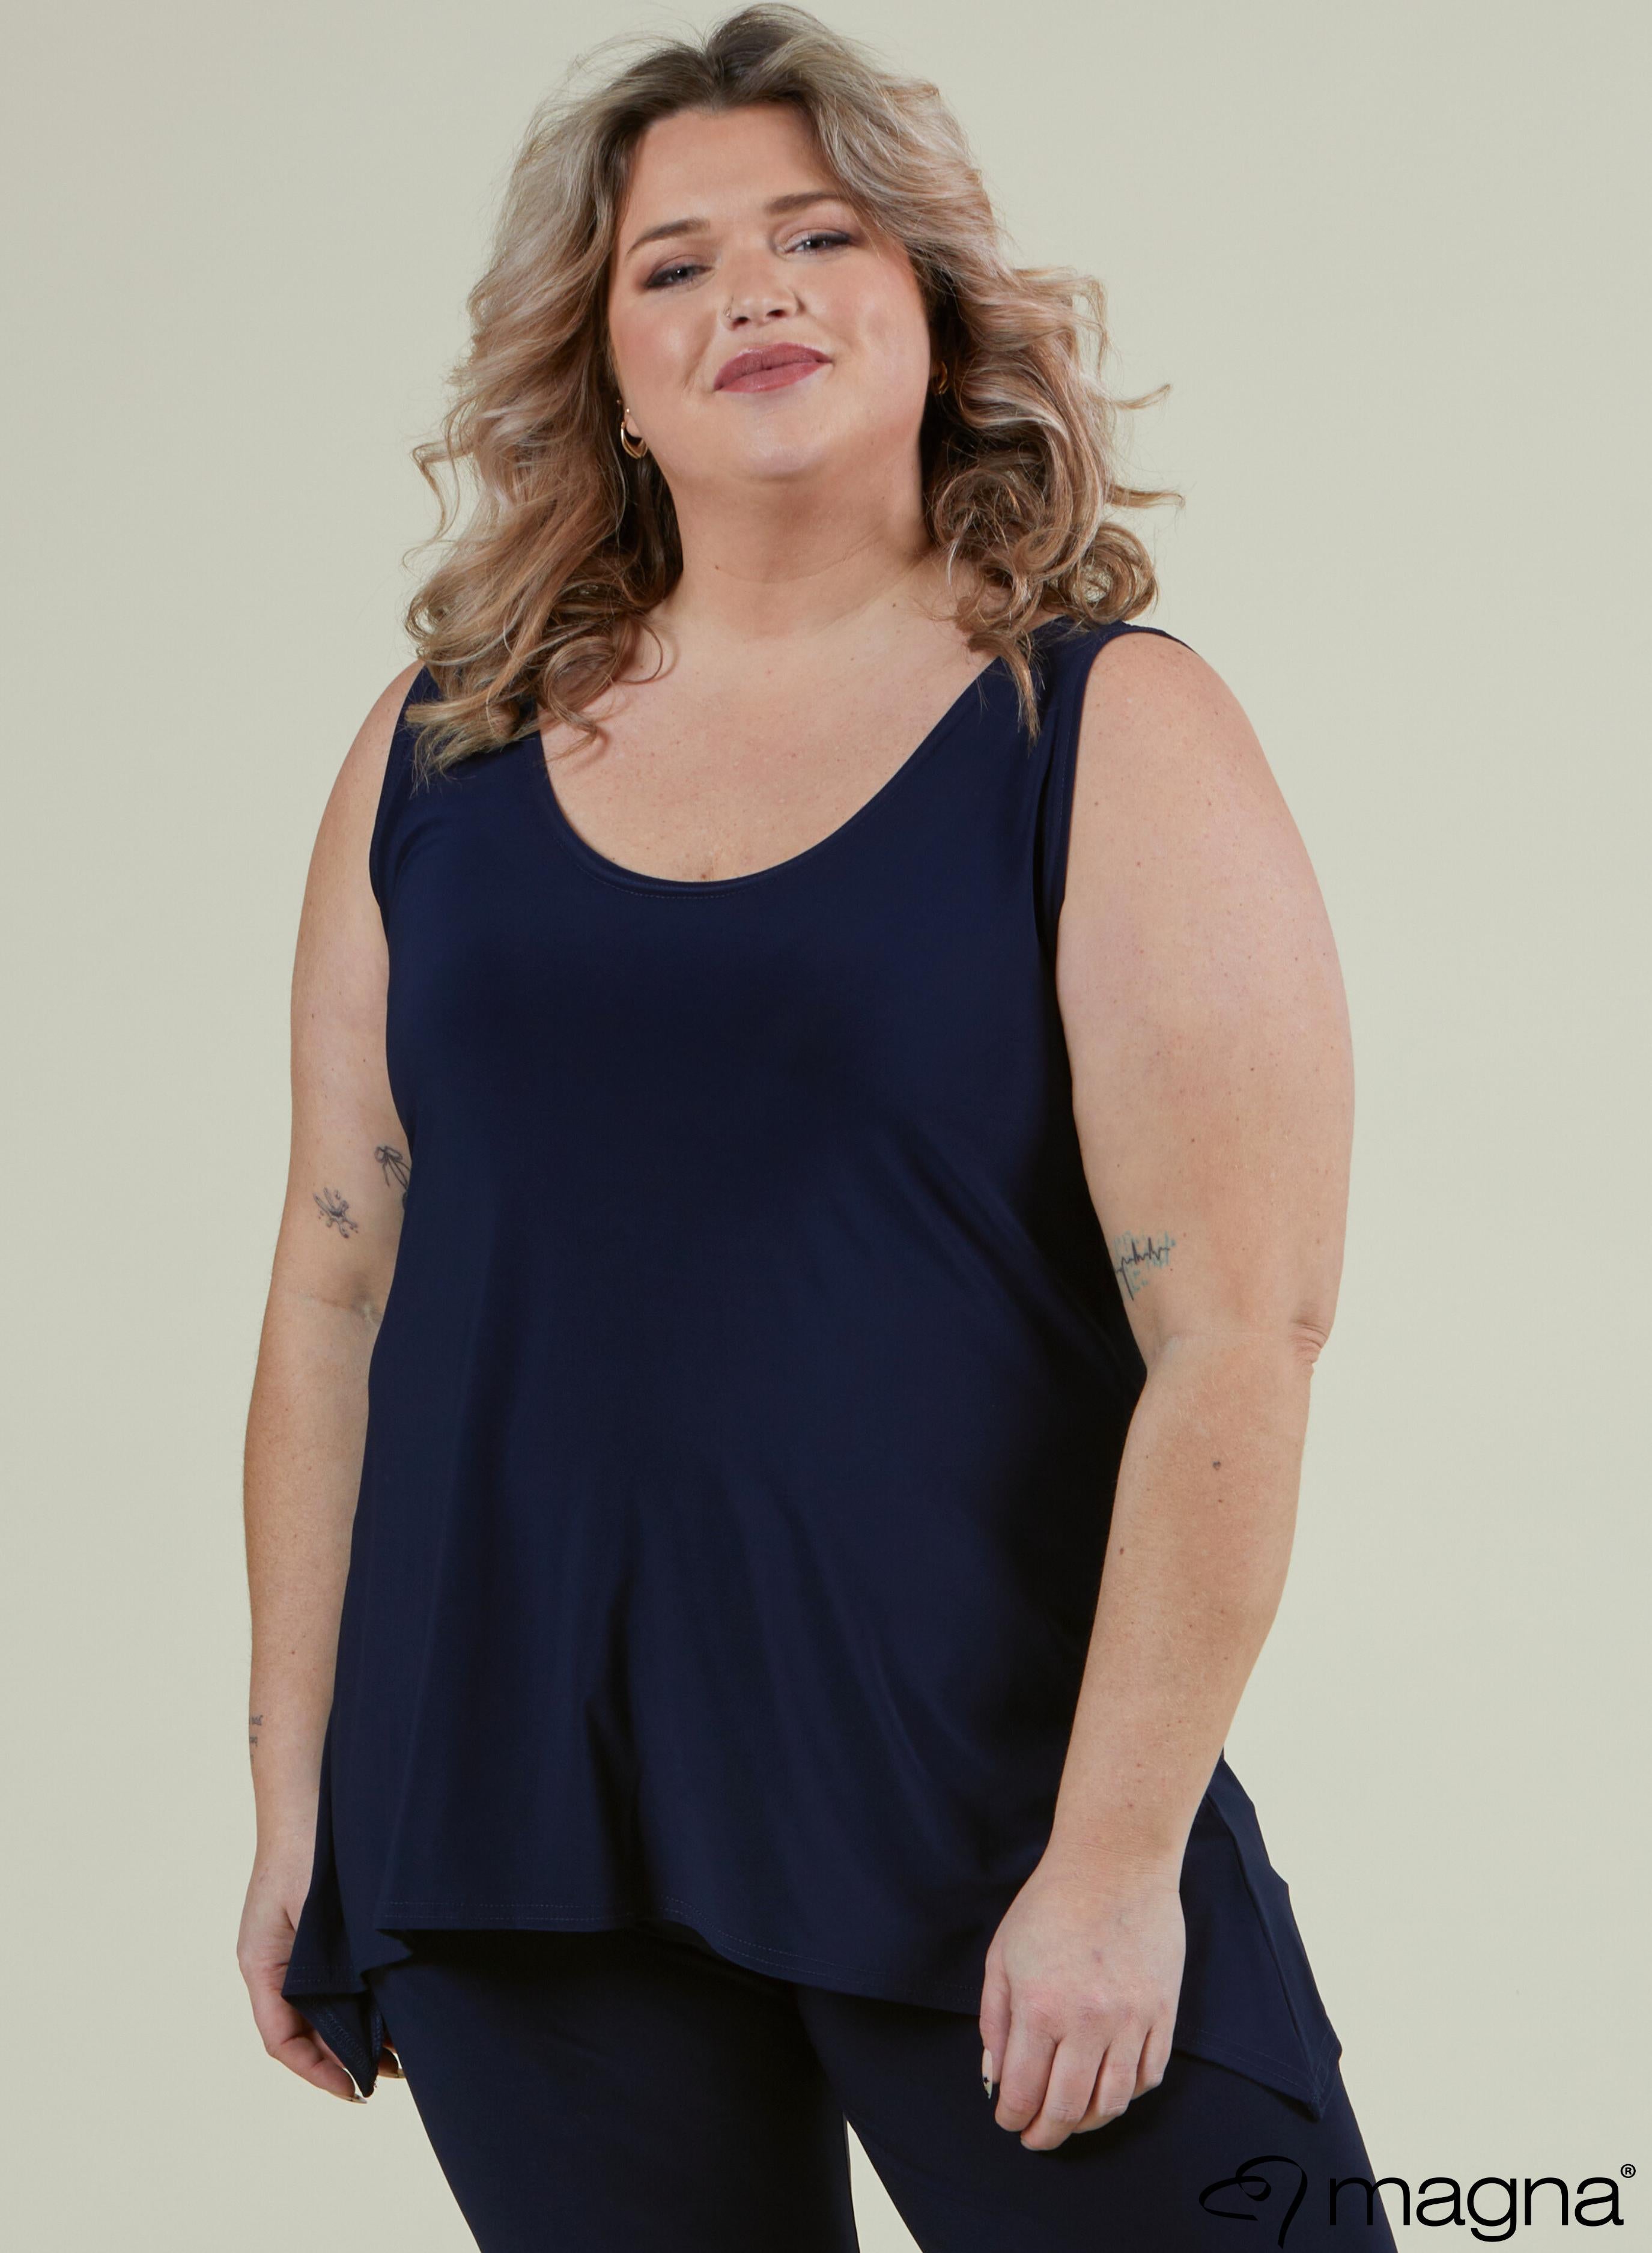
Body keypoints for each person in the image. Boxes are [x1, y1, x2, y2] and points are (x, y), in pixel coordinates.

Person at [238, 8, 1397, 2247]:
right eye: (672, 265)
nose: (750, 291)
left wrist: (1116, 1863)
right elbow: (330, 1283)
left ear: (931, 305)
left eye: (818, 235)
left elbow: (1241, 1331)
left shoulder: (1104, 727)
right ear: (605, 370)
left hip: (982, 1809)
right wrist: (301, 1791)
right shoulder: (436, 756)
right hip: (507, 1816)